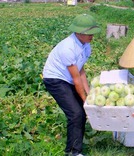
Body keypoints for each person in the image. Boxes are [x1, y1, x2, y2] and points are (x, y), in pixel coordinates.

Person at [42, 14, 101, 156]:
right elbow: (76, 79)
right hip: (55, 79)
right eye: (89, 33)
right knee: (76, 113)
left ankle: (74, 147)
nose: (92, 36)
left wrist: (89, 92)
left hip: (68, 78)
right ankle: (74, 152)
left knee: (81, 111)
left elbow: (81, 70)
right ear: (79, 33)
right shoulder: (68, 48)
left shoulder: (86, 46)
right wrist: (84, 99)